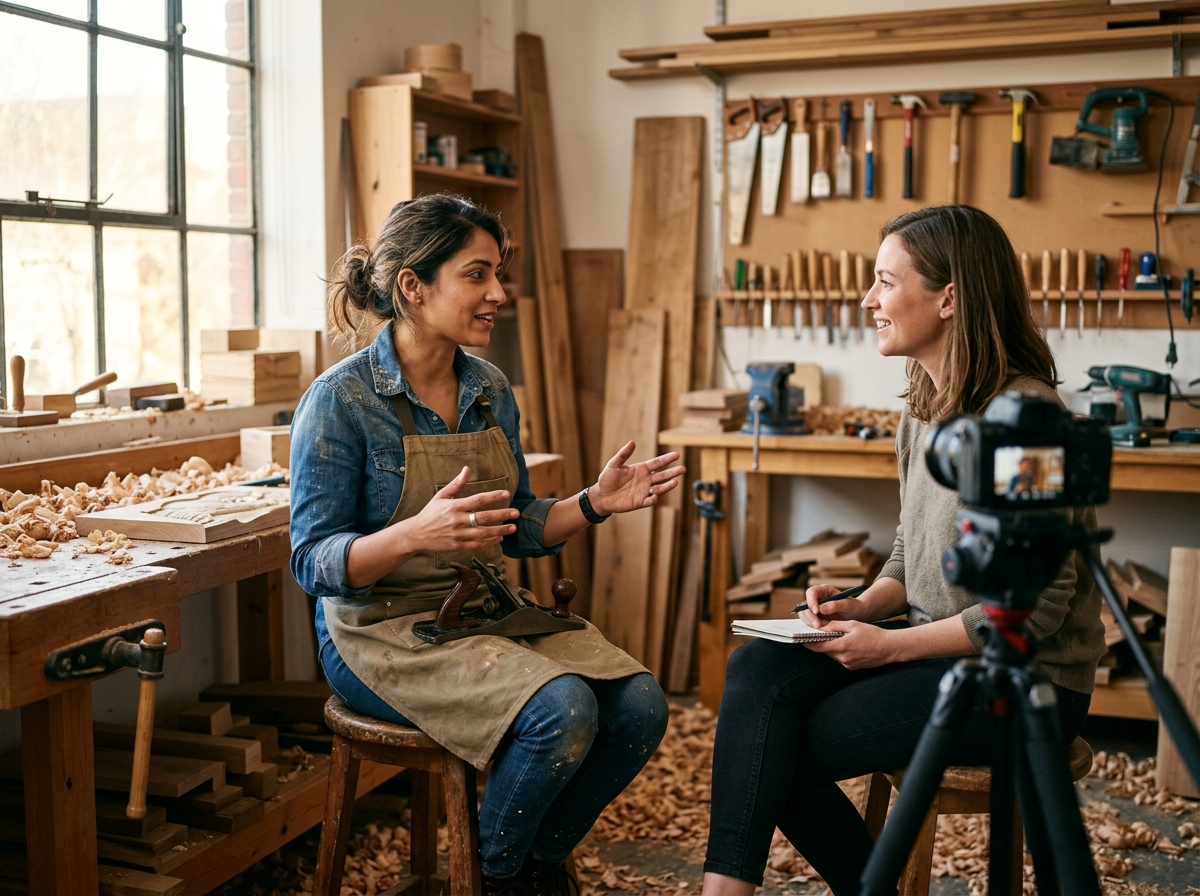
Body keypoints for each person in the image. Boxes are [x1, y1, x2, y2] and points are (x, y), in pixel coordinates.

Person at [701, 206, 1106, 896]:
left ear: (949, 298)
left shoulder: (1027, 425)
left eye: (885, 282)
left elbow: (1028, 618)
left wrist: (886, 648)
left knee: (779, 744)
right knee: (756, 671)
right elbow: (906, 551)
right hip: (937, 649)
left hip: (1027, 681)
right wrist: (861, 604)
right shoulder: (923, 405)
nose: (869, 301)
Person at [290, 194, 684, 895]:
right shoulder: (340, 401)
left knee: (639, 705)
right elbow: (313, 564)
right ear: (414, 287)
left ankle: (523, 863)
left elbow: (522, 525)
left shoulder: (489, 389)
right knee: (563, 710)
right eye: (477, 275)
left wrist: (593, 502)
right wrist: (414, 534)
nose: (498, 294)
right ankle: (496, 879)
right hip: (378, 631)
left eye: (497, 274)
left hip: (481, 611)